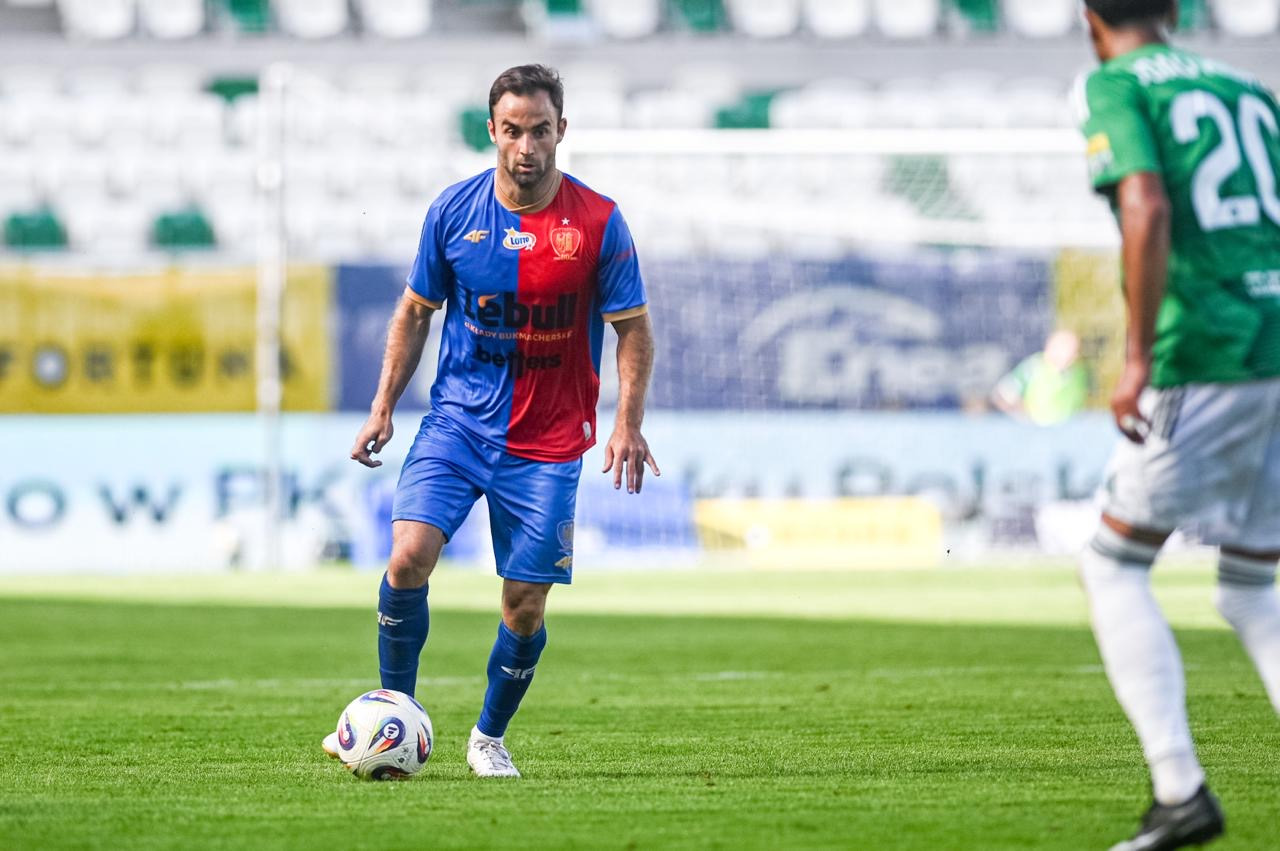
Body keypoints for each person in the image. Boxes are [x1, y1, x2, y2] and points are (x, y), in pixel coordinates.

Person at [324, 64, 659, 778]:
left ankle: (488, 737)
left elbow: (632, 328)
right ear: (492, 131)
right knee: (407, 557)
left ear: (561, 130)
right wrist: (383, 405)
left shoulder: (599, 222)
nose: (526, 147)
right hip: (457, 425)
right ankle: (395, 712)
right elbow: (415, 312)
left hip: (548, 443)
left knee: (524, 605)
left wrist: (627, 421)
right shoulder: (454, 212)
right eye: (512, 131)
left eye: (539, 131)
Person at [1075, 2, 1280, 848]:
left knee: (1113, 563)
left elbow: (1147, 206)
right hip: (1274, 340)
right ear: (1170, 10)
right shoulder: (1247, 88)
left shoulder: (1116, 85)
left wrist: (1136, 359)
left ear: (1091, 19)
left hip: (1208, 346)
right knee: (1253, 584)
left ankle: (1179, 790)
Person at [990, 329, 1091, 425]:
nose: (1069, 353)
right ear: (1049, 346)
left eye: (1073, 349)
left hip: (1068, 430)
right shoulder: (1033, 367)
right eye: (1063, 347)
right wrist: (1024, 418)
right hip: (1035, 432)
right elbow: (1001, 395)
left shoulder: (1080, 372)